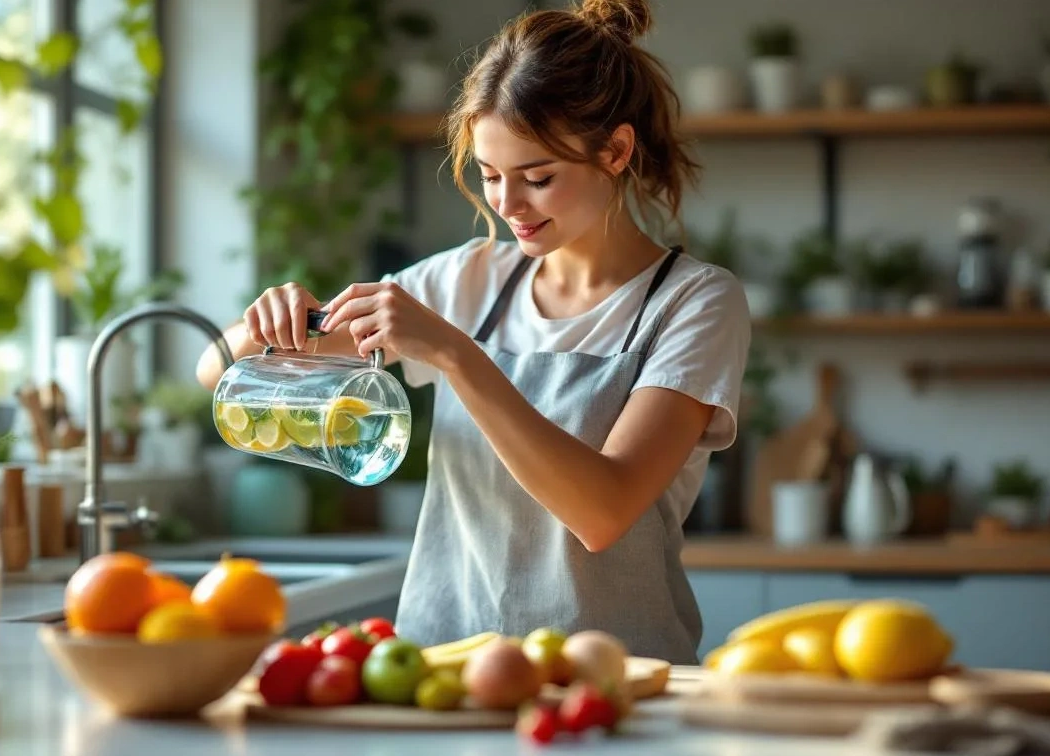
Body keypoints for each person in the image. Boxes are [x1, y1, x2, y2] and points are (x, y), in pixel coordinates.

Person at [197, 0, 751, 663]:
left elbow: (602, 512)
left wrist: (456, 354)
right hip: (440, 674)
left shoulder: (694, 302)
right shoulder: (466, 280)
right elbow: (217, 371)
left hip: (613, 681)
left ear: (615, 150)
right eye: (490, 176)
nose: (508, 205)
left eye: (537, 178)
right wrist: (265, 326)